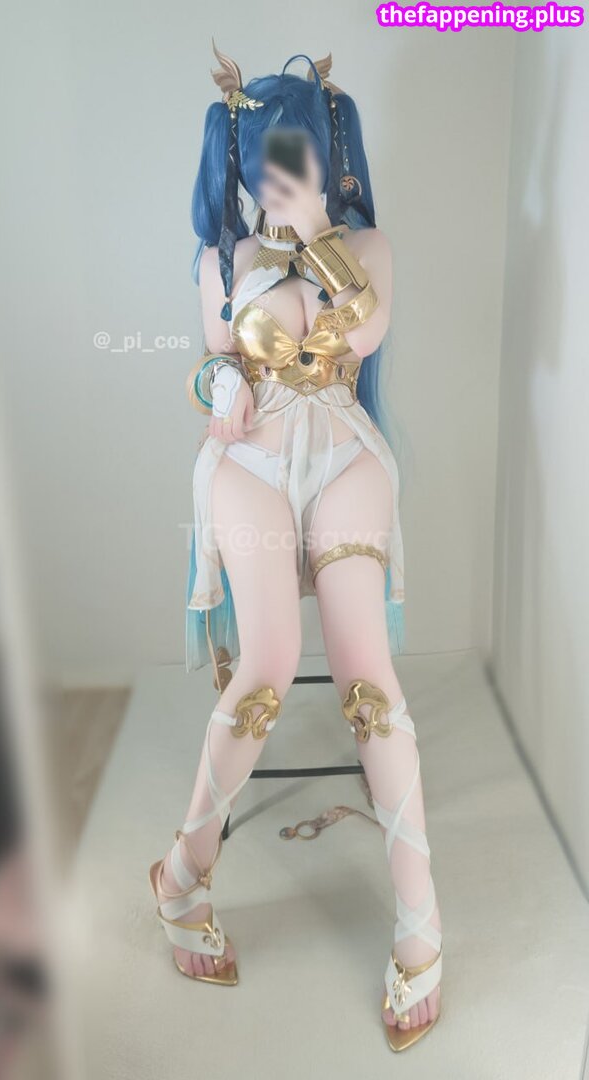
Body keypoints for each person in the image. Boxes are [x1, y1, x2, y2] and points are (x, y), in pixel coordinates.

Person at [149, 46, 442, 1052]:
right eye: (268, 160)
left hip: (345, 453)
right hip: (251, 464)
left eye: (300, 155)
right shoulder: (219, 262)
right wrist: (220, 382)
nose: (282, 175)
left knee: (367, 677)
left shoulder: (370, 247)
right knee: (269, 665)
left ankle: (421, 922)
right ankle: (181, 875)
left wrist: (316, 232)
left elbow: (362, 333)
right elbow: (207, 367)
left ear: (326, 154)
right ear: (239, 162)